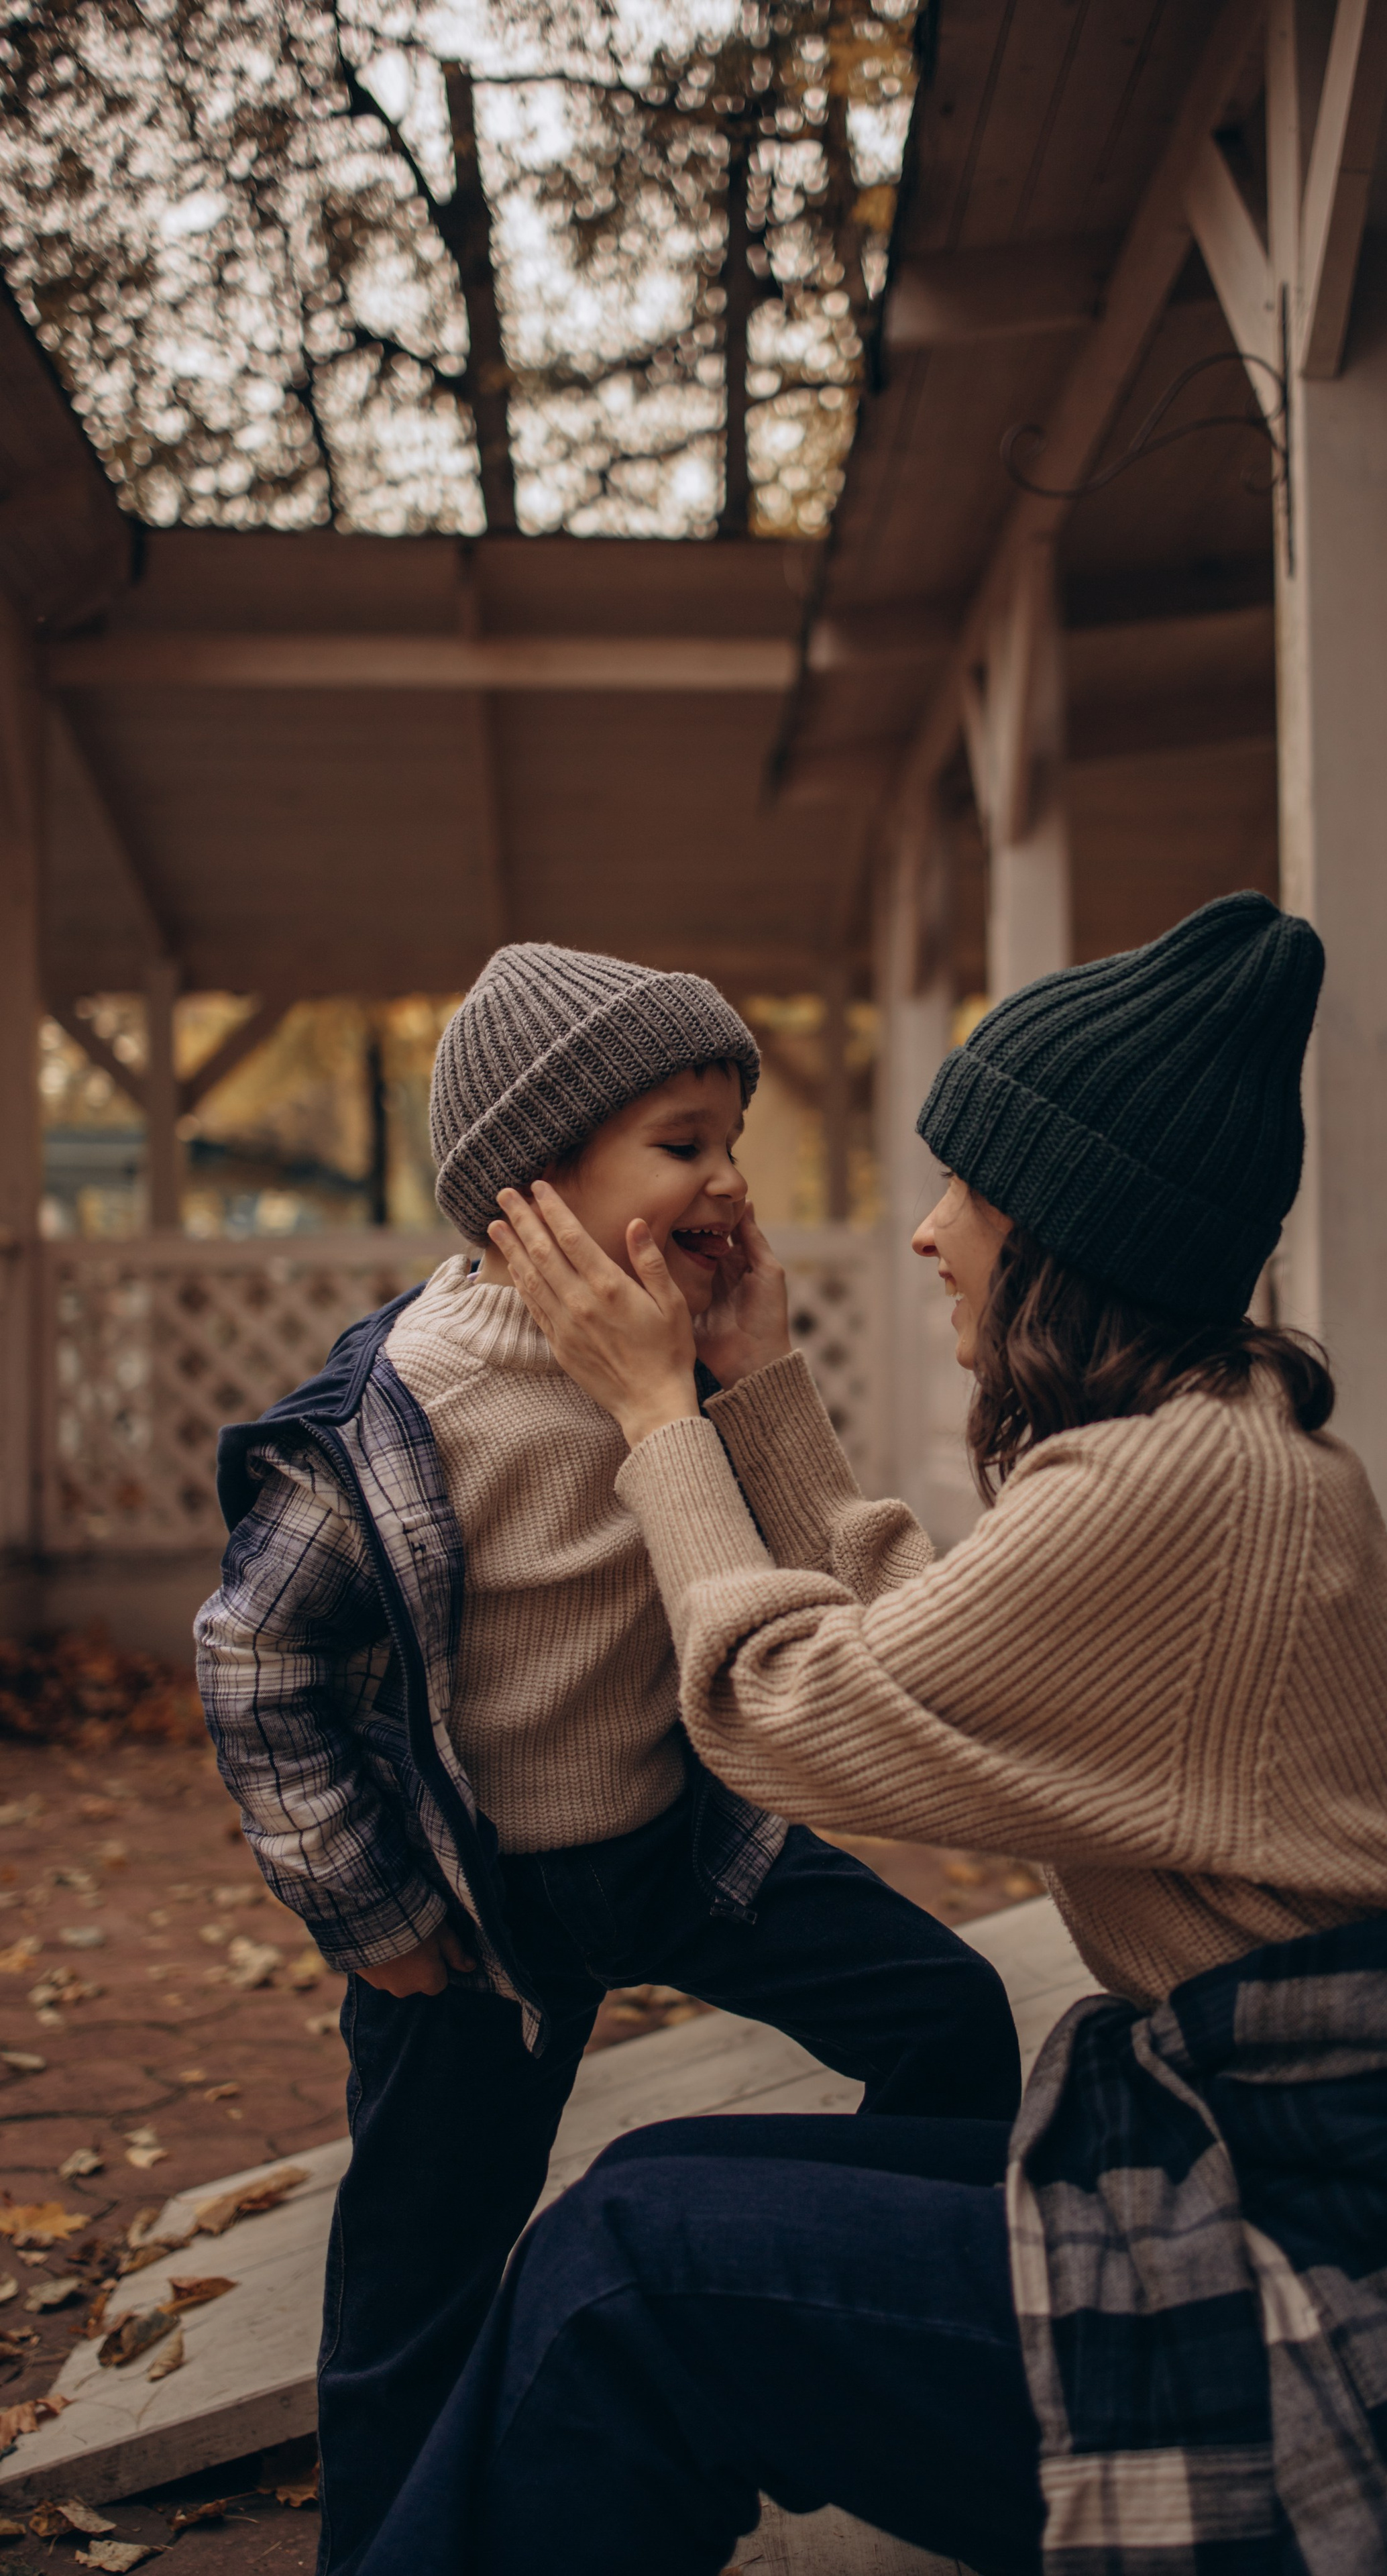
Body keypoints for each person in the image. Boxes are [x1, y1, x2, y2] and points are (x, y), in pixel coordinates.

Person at [361, 893, 1387, 2576]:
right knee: (661, 2179)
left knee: (627, 2263)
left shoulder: (1181, 1488)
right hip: (1363, 2206)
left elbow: (790, 1713)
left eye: (962, 1188)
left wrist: (656, 1416)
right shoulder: (1205, 1445)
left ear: (1057, 1227)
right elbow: (925, 1645)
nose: (926, 1233)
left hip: (1380, 2312)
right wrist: (755, 1385)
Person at [192, 943, 1021, 2576]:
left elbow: (815, 1575)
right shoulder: (401, 1409)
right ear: (529, 1183)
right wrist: (370, 1911)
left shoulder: (687, 1348)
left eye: (730, 1139)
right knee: (413, 2287)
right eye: (679, 1142)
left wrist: (750, 1376)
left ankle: (838, 2331)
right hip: (475, 1917)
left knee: (950, 2017)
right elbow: (254, 1661)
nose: (728, 1180)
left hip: (682, 1848)